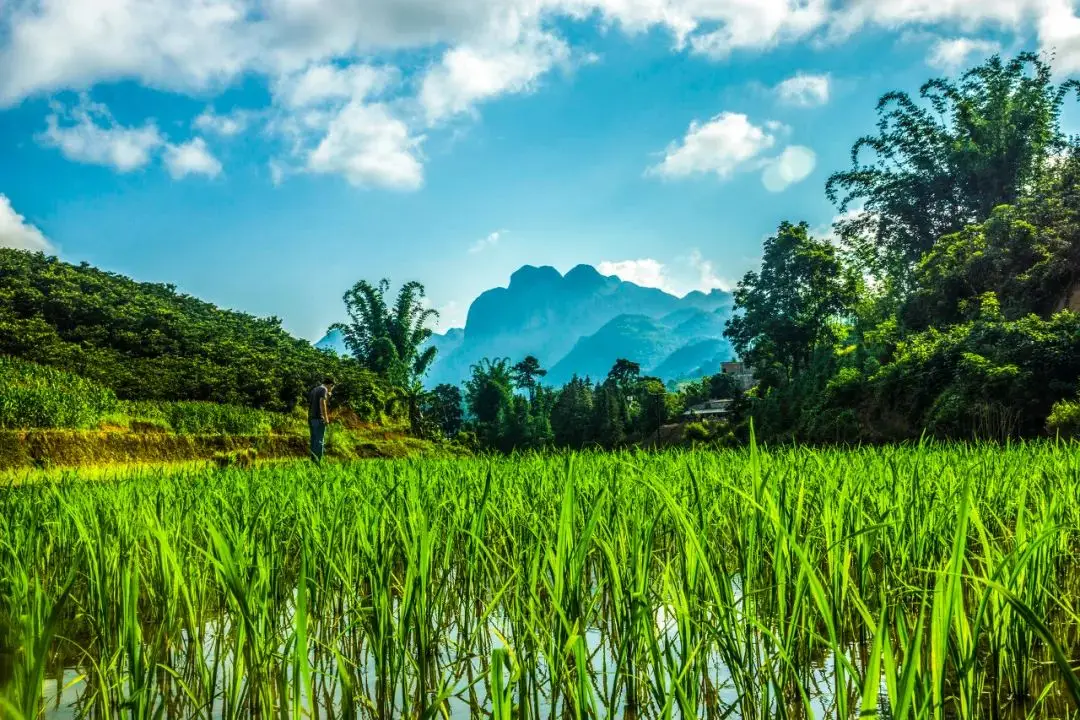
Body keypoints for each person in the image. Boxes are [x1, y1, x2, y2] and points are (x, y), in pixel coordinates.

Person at [308, 377, 334, 463]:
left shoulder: (314, 389)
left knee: (314, 440)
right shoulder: (324, 389)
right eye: (332, 387)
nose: (331, 389)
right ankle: (318, 462)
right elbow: (322, 403)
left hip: (311, 418)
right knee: (319, 440)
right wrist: (326, 418)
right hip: (319, 418)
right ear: (330, 385)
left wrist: (328, 397)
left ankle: (313, 460)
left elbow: (312, 403)